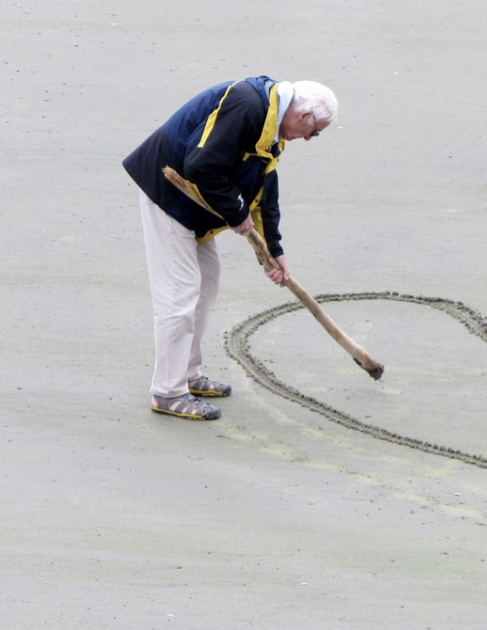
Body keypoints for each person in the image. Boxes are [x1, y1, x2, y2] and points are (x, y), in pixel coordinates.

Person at [123, 76, 337, 420]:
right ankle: (167, 391)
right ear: (303, 115)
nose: (310, 139)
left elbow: (264, 187)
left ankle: (187, 375)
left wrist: (272, 251)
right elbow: (199, 165)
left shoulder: (272, 125)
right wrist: (236, 215)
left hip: (194, 206)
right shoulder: (248, 105)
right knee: (179, 295)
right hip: (167, 195)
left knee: (207, 282)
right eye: (315, 131)